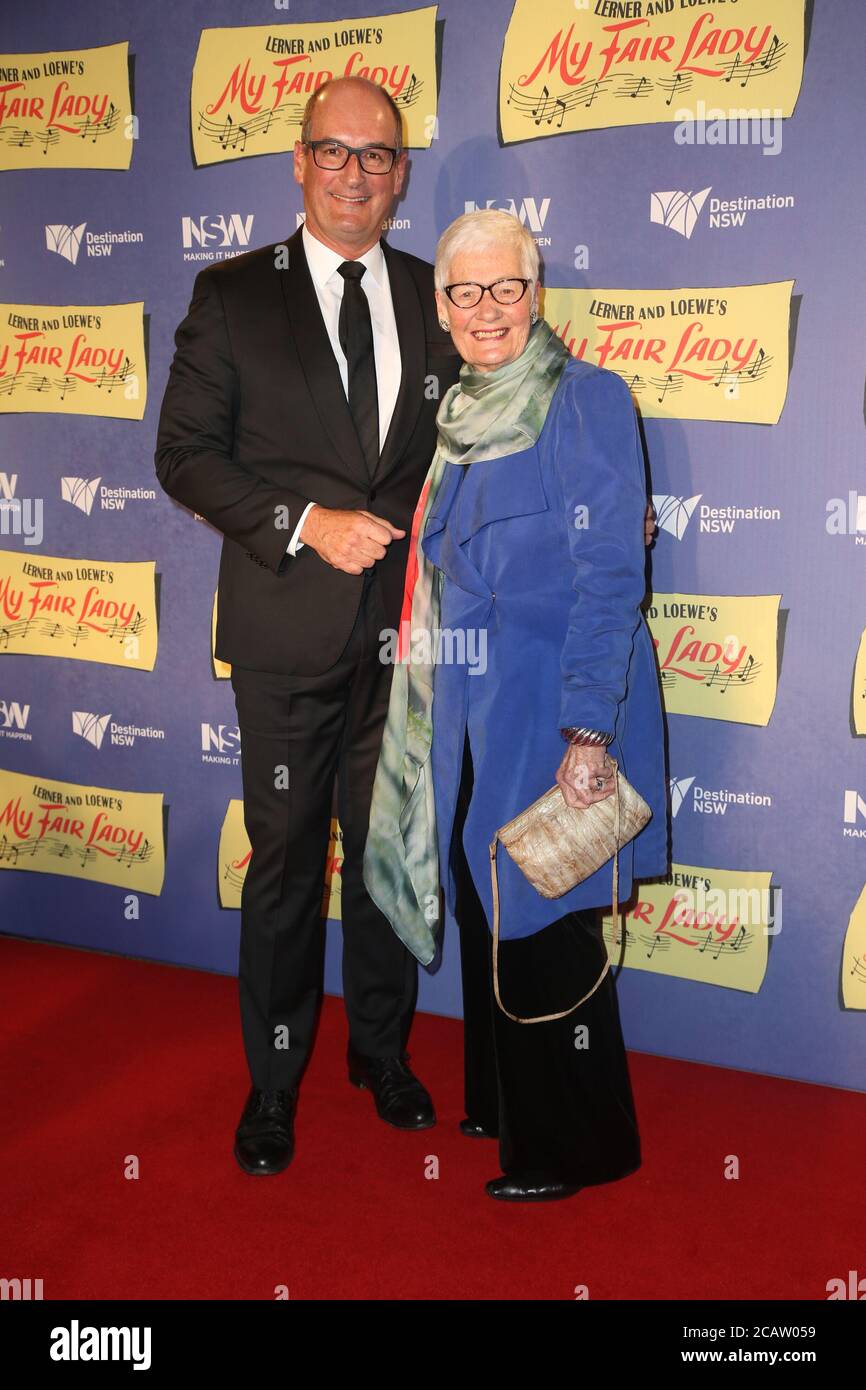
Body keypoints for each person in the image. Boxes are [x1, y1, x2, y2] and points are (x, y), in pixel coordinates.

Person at [154, 76, 464, 1176]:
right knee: (286, 866)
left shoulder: (440, 296)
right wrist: (302, 522)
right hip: (285, 638)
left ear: (399, 176)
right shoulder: (235, 294)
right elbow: (183, 453)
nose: (353, 172)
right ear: (298, 161)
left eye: (376, 155)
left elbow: (480, 440)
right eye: (333, 150)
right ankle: (273, 1080)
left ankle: (380, 1052)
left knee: (384, 856)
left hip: (404, 642)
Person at [364, 208, 669, 1202]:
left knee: (547, 906)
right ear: (442, 307)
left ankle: (579, 1145)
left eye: (506, 288)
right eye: (465, 291)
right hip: (468, 705)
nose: (486, 309)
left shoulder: (582, 399)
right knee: (498, 895)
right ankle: (503, 1102)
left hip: (552, 696)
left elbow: (610, 571)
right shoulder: (457, 413)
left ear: (535, 297)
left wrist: (588, 727)